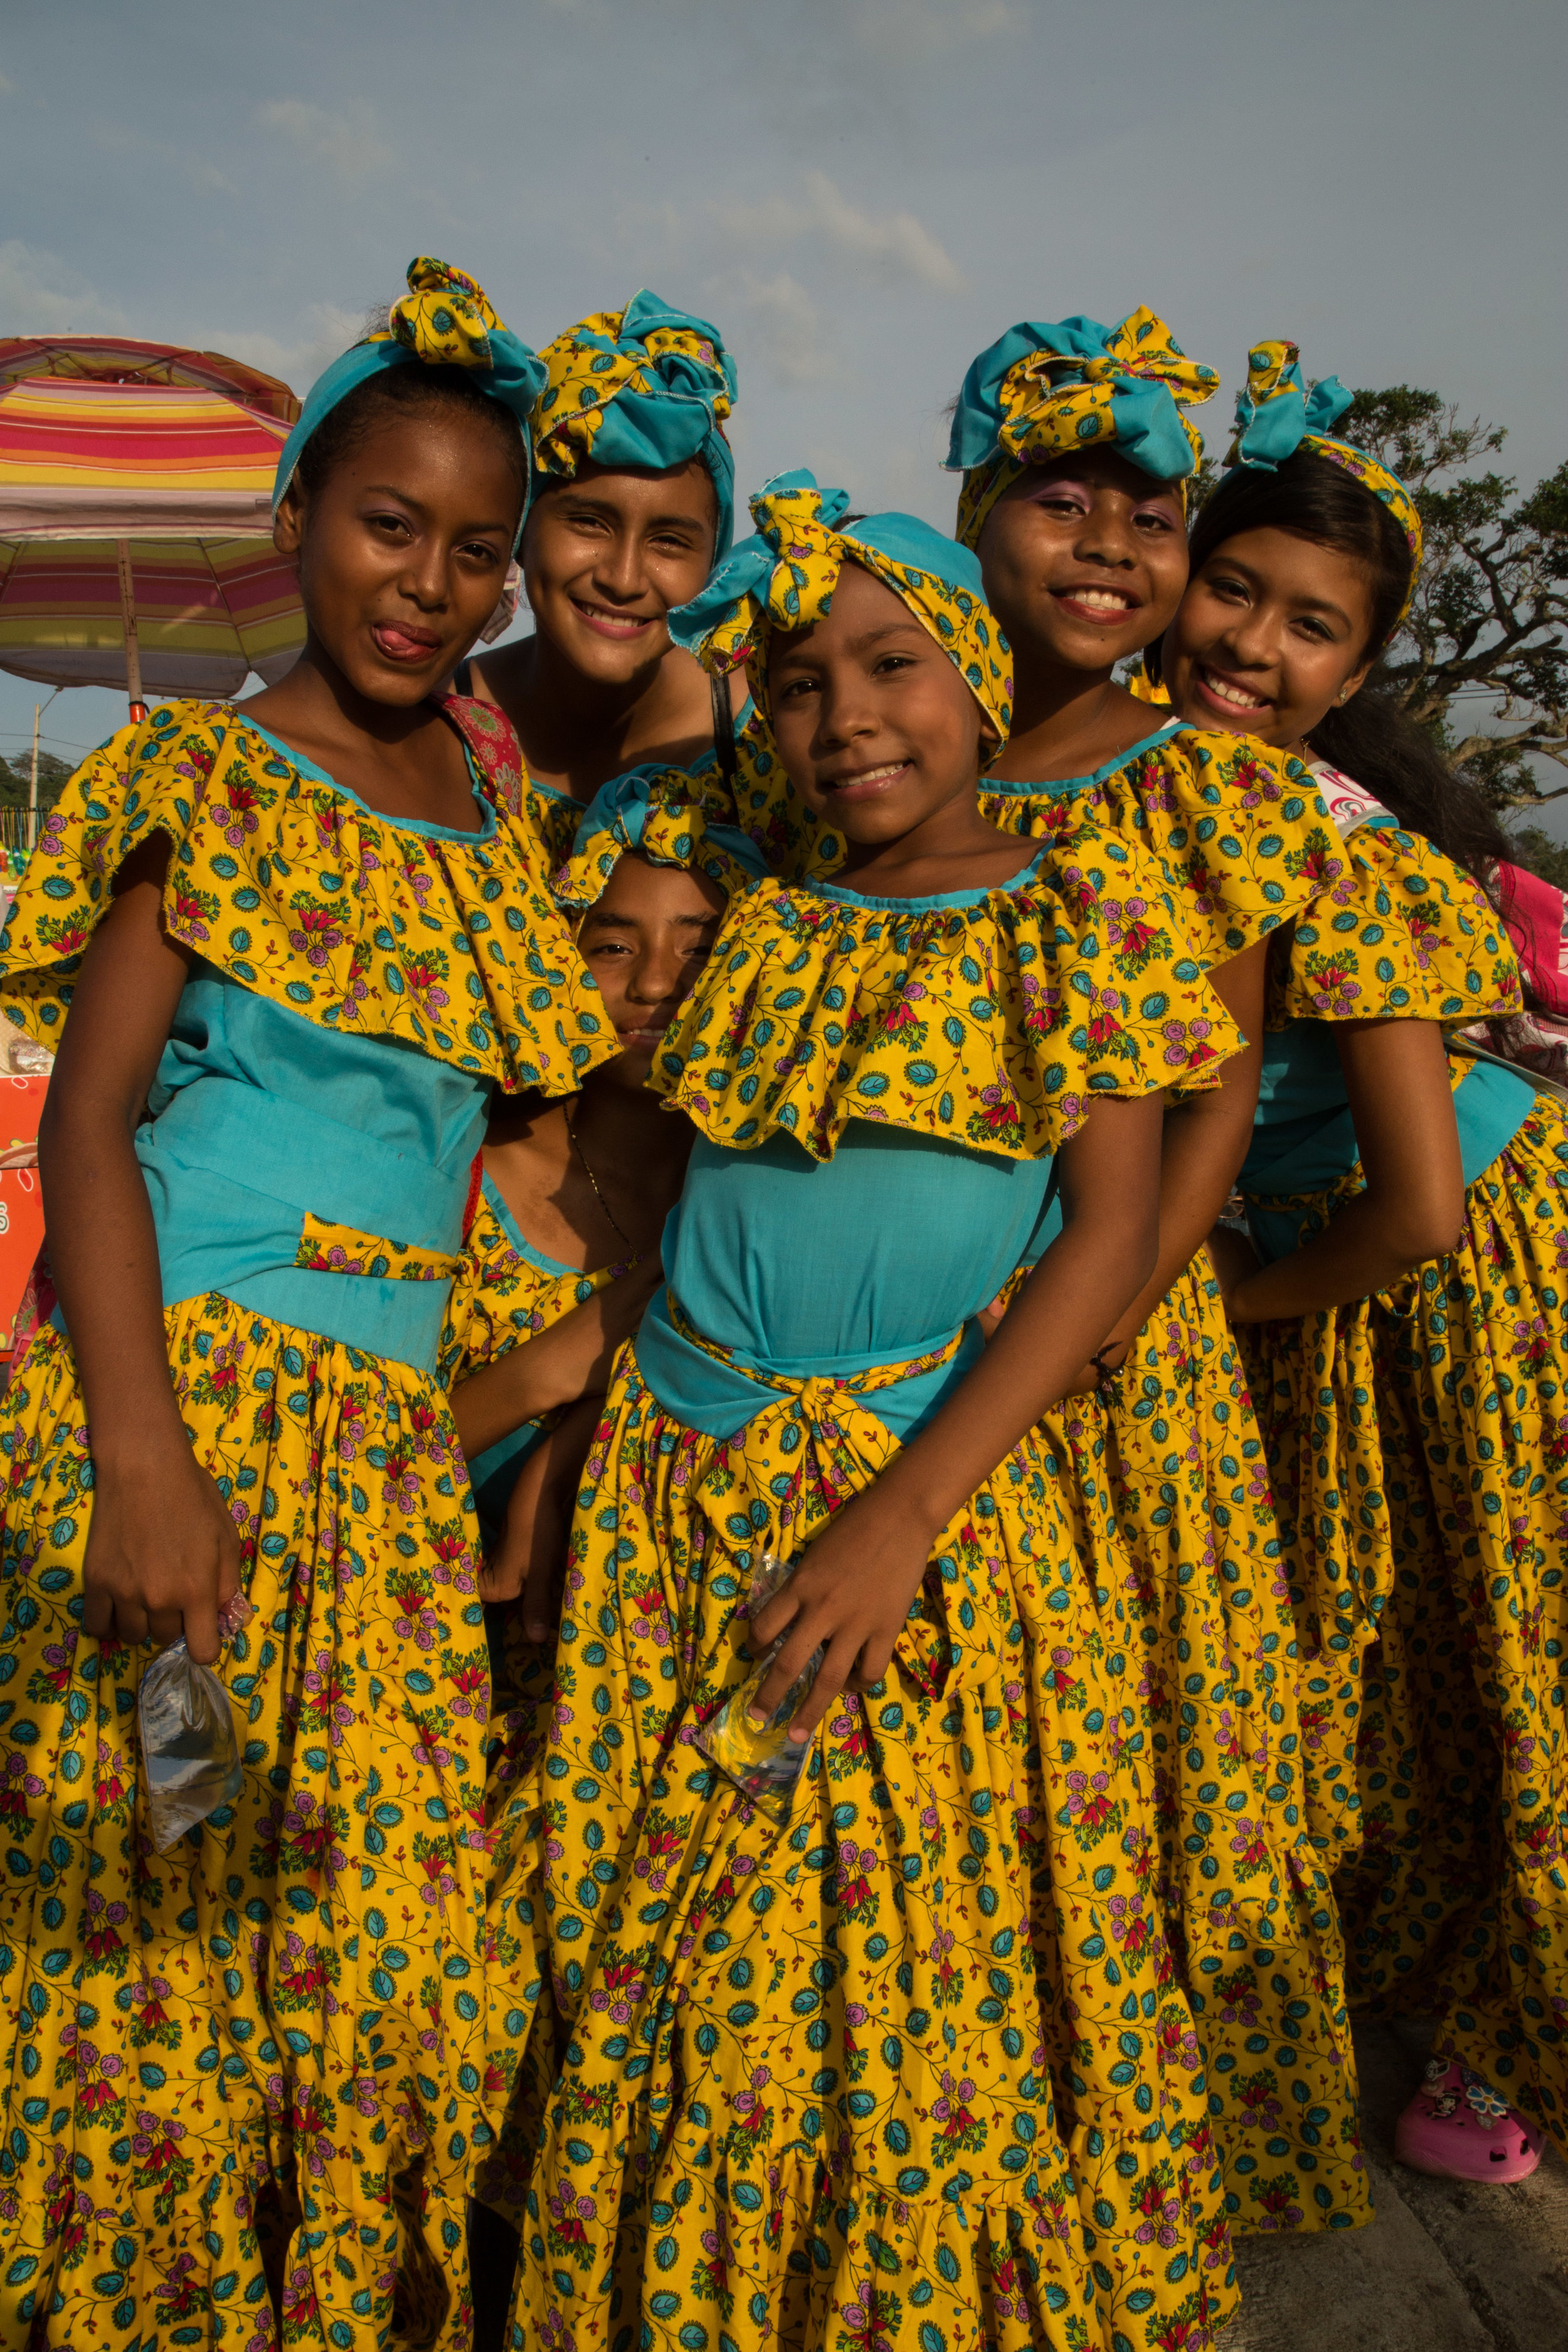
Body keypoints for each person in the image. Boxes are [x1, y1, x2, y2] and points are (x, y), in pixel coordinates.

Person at [501, 469, 1266, 2351]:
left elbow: (1100, 1242)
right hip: (677, 1501)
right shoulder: (767, 929)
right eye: (794, 680)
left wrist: (901, 1515)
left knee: (864, 1947)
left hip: (884, 1521)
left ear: (978, 682)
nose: (842, 712)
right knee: (662, 1924)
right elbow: (659, 1208)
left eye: (889, 663)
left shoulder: (1070, 921)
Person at [0, 260, 612, 2349]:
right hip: (200, 1431)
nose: (427, 583)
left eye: (472, 548)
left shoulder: (497, 817)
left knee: (373, 1923)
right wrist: (142, 1462)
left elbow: (515, 1153)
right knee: (164, 1883)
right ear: (297, 524)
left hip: (390, 1468)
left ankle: (324, 2293)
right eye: (384, 524)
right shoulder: (207, 779)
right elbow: (89, 1134)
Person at [946, 312, 1371, 2235]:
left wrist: (1108, 1323)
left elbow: (1200, 1117)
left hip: (1104, 1360)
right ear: (971, 509)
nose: (1107, 544)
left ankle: (1102, 2175)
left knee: (1113, 1770)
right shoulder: (905, 742)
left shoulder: (1194, 777)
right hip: (911, 1331)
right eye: (1060, 497)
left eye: (1146, 508)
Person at [1162, 340, 1559, 2185]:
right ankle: (1436, 1973)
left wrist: (1207, 1310)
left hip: (1482, 1263)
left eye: (1304, 624)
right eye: (1226, 586)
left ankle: (1510, 2047)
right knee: (1400, 1660)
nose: (1247, 641)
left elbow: (1414, 1206)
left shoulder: (1327, 841)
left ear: (1354, 667)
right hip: (1391, 1271)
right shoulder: (1160, 795)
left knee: (1514, 1655)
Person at [438, 769, 765, 2344]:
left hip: (657, 1678)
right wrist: (578, 1347)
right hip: (461, 1671)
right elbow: (399, 1450)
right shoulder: (458, 1163)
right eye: (607, 939)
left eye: (696, 945)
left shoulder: (755, 1184)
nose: (649, 985)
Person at [453, 291, 744, 861]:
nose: (624, 577)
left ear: (712, 562)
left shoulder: (767, 740)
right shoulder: (436, 727)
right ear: (523, 529)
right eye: (588, 522)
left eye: (669, 541)